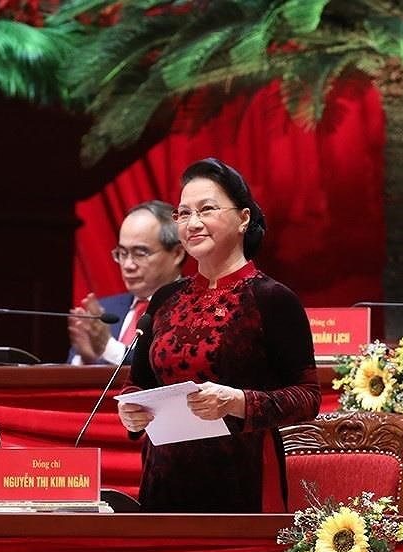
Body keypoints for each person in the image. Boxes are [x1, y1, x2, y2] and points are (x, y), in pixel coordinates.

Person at [116, 158, 321, 513]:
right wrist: (132, 409)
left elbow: (308, 397)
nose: (193, 223)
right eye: (183, 213)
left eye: (206, 210)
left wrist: (237, 401)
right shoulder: (166, 298)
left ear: (243, 218)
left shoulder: (272, 299)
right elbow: (138, 383)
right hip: (164, 481)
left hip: (243, 482)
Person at [68, 200, 185, 365]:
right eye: (122, 253)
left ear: (177, 254)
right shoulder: (105, 313)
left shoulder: (193, 310)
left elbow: (163, 369)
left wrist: (107, 347)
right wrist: (88, 359)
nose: (128, 265)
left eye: (140, 253)